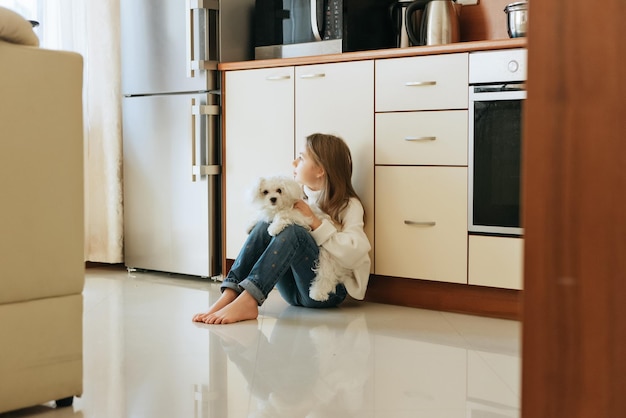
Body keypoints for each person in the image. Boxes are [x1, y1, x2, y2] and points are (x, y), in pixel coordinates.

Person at [192, 133, 371, 324]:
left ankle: (249, 299)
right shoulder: (298, 198)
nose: (294, 162)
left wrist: (314, 221)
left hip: (328, 292)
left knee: (293, 231)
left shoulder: (348, 205)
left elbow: (356, 250)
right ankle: (230, 294)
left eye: (301, 158)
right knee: (265, 222)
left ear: (320, 169)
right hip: (293, 291)